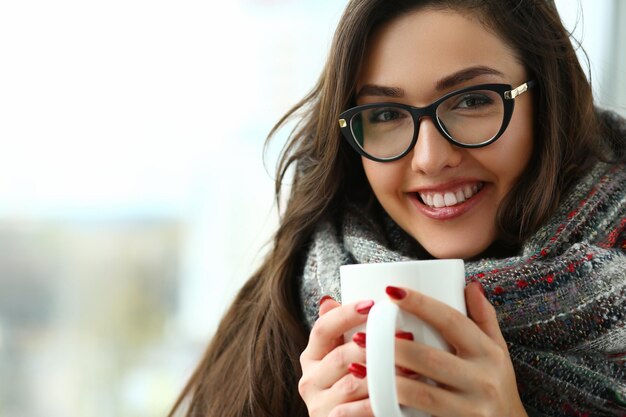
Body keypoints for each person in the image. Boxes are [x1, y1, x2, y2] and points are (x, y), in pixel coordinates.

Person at [169, 0, 626, 416]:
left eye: (472, 101)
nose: (430, 158)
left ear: (547, 100)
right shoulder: (280, 320)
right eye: (385, 114)